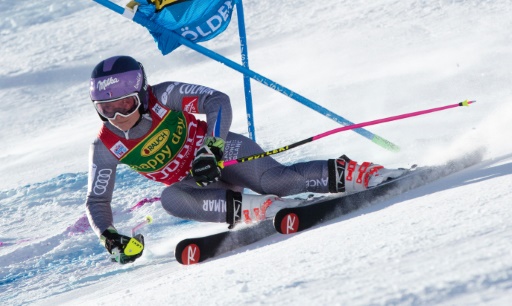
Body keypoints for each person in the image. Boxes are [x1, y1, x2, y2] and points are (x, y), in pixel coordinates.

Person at [85, 55, 405, 264]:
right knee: (171, 198)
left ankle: (362, 174)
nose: (116, 116)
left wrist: (212, 148)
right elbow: (97, 200)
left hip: (222, 155)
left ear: (141, 94)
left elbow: (216, 100)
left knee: (280, 182)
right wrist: (108, 235)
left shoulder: (164, 96)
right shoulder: (106, 145)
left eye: (124, 104)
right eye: (105, 108)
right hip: (196, 184)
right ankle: (263, 209)